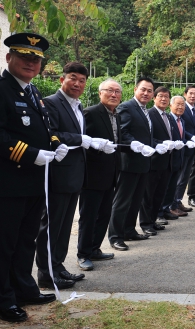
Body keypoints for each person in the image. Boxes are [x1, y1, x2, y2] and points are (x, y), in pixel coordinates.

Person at [0, 32, 60, 323]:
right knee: (3, 244)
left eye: (36, 59)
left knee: (25, 241)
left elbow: (42, 128)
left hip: (33, 182)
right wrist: (30, 154)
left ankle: (23, 289)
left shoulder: (32, 90)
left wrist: (54, 145)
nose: (31, 63)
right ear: (9, 57)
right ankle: (0, 301)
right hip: (7, 183)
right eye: (25, 57)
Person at [36, 62, 90, 290]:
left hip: (74, 175)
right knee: (51, 225)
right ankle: (46, 273)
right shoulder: (50, 103)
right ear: (62, 80)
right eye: (73, 78)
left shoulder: (78, 106)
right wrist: (79, 140)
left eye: (82, 80)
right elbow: (51, 133)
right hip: (57, 174)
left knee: (66, 225)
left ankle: (57, 266)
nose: (77, 84)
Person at [76, 79, 123, 271]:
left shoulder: (116, 115)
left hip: (111, 173)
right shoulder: (90, 113)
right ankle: (83, 254)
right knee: (89, 215)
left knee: (104, 214)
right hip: (93, 174)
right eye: (109, 91)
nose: (114, 95)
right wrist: (98, 148)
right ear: (100, 93)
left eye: (117, 92)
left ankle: (95, 248)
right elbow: (82, 143)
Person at [108, 77, 156, 251]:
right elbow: (122, 132)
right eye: (143, 89)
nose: (146, 93)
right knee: (122, 201)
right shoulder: (127, 107)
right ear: (135, 89)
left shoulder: (145, 110)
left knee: (136, 200)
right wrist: (135, 144)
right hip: (128, 162)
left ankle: (129, 230)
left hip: (143, 163)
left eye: (149, 91)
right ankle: (115, 236)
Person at [140, 86, 175, 235]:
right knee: (149, 195)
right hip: (154, 160)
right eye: (160, 96)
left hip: (166, 161)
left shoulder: (167, 116)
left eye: (166, 97)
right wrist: (160, 144)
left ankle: (153, 221)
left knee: (159, 194)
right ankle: (145, 223)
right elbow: (148, 137)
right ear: (154, 98)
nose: (163, 99)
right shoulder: (150, 114)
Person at [159, 96, 195, 218]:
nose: (180, 107)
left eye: (182, 105)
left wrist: (187, 140)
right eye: (178, 104)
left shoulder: (181, 120)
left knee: (174, 184)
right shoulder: (168, 119)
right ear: (171, 105)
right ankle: (166, 208)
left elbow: (182, 136)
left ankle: (171, 206)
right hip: (169, 157)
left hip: (179, 157)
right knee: (167, 185)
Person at [175, 85, 195, 211]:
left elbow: (193, 129)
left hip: (192, 148)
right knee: (180, 178)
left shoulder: (194, 110)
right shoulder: (183, 109)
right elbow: (182, 128)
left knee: (185, 177)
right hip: (183, 147)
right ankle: (173, 203)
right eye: (190, 93)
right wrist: (190, 137)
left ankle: (178, 201)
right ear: (185, 94)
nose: (193, 96)